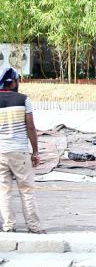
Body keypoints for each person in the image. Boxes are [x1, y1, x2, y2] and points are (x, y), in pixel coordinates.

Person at [0, 66, 44, 233]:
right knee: (26, 191)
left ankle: (8, 226)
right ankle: (34, 227)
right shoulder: (24, 99)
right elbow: (30, 127)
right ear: (12, 82)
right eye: (17, 80)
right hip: (19, 152)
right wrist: (35, 152)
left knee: (4, 191)